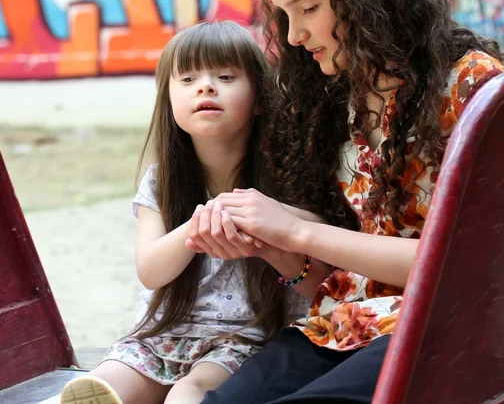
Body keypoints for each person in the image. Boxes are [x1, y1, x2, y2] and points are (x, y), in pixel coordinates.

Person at [189, 0, 504, 402]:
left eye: (307, 8)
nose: (294, 36)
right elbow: (342, 276)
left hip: (450, 324)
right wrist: (272, 242)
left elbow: (464, 259)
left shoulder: (471, 84)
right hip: (349, 326)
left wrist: (298, 230)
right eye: (284, 15)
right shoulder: (337, 96)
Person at [57, 21, 326, 404]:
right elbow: (151, 271)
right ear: (168, 100)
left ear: (261, 98)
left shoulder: (285, 179)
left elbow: (319, 261)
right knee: (106, 385)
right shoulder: (161, 181)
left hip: (244, 337)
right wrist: (199, 226)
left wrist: (269, 227)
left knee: (189, 391)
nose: (206, 86)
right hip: (163, 334)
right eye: (187, 79)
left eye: (225, 76)